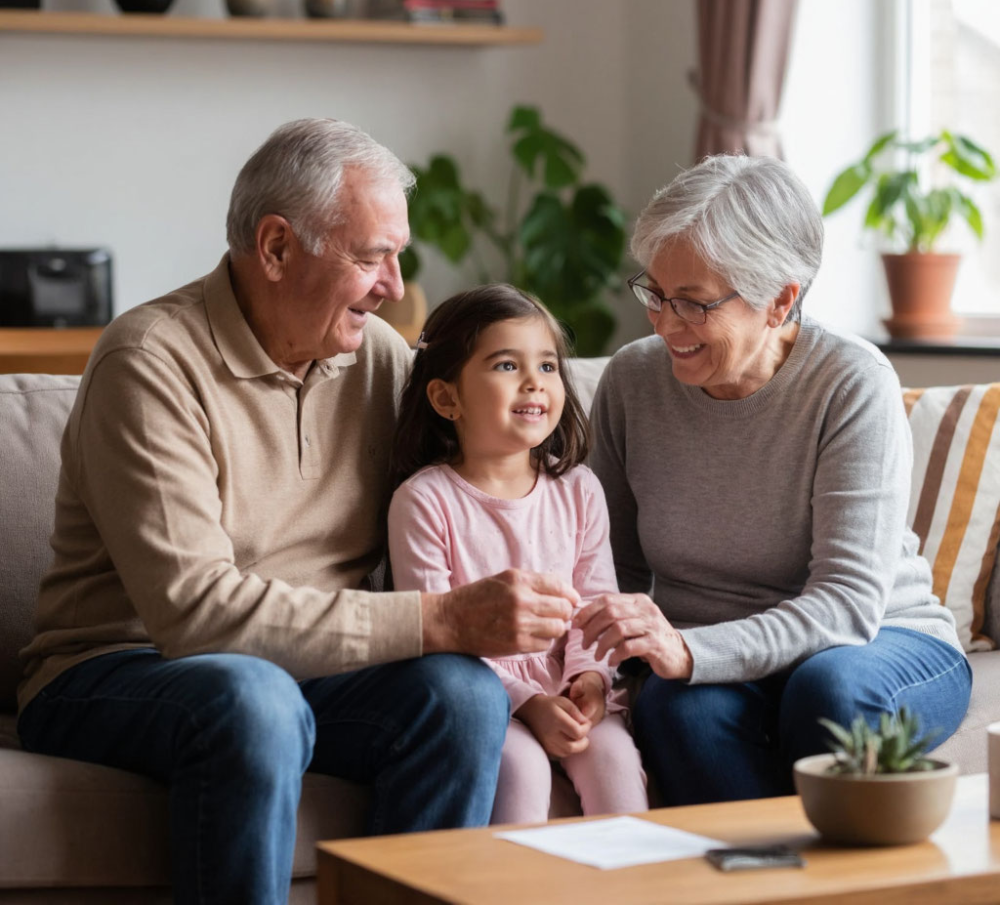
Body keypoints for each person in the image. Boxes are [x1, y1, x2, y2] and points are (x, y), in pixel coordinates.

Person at [16, 119, 580, 905]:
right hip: (121, 666)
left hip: (311, 672)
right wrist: (441, 618)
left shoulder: (378, 360)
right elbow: (195, 616)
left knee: (461, 696)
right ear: (278, 248)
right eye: (370, 256)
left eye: (397, 256)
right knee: (254, 699)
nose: (394, 285)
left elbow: (477, 483)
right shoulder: (150, 363)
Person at [573, 154, 971, 806]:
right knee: (674, 709)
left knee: (829, 689)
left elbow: (846, 603)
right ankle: (766, 862)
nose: (665, 323)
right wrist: (596, 669)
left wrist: (690, 652)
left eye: (693, 303)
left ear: (780, 301)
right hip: (711, 653)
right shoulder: (631, 381)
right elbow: (609, 569)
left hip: (878, 641)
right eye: (656, 294)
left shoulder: (851, 382)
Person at [388, 284, 648, 822]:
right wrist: (528, 704)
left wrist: (591, 681)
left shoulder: (580, 490)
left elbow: (596, 606)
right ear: (447, 399)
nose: (535, 382)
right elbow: (434, 633)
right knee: (523, 768)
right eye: (507, 365)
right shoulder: (423, 501)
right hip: (485, 694)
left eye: (548, 366)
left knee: (615, 760)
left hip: (571, 682)